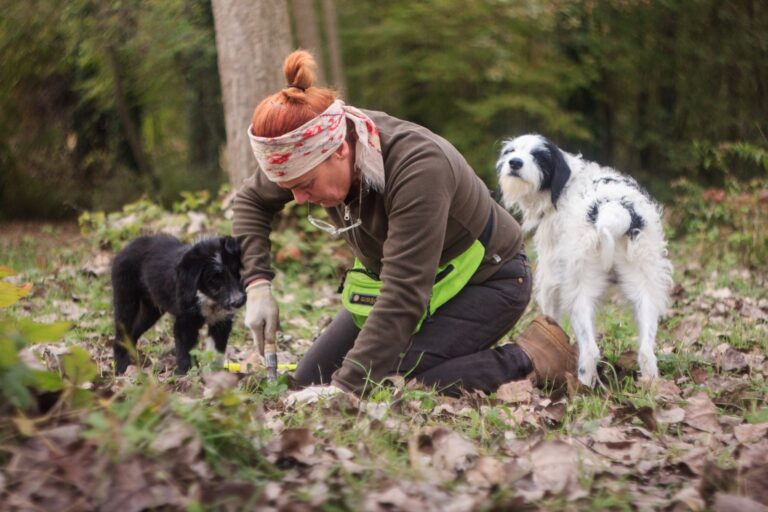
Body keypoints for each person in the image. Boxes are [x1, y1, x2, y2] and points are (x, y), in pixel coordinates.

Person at [233, 50, 577, 401]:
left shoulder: (418, 168)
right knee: (307, 384)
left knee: (384, 383)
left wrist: (344, 390)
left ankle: (532, 357)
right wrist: (257, 284)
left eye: (306, 184)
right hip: (406, 285)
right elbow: (249, 201)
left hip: (489, 280)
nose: (300, 199)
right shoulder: (304, 147)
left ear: (339, 150)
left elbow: (403, 294)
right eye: (291, 187)